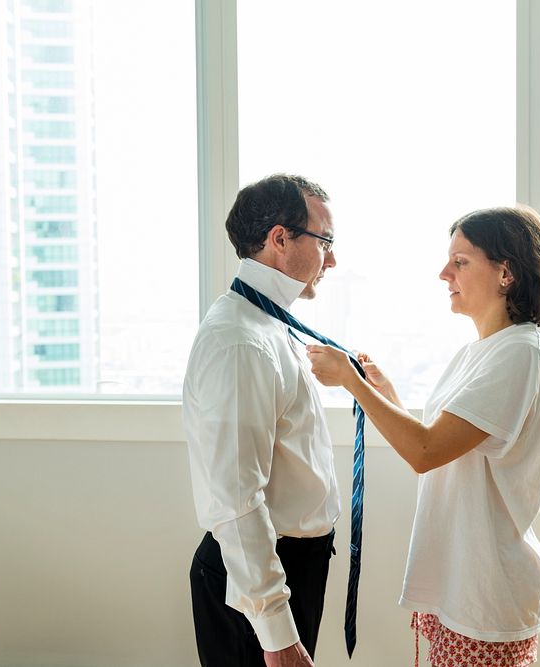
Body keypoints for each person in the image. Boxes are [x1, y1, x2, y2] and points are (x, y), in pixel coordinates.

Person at [307, 206, 540, 667]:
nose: (444, 272)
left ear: (506, 271)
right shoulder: (481, 351)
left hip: (485, 594)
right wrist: (385, 394)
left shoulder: (519, 352)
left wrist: (353, 384)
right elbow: (442, 446)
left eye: (461, 262)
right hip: (459, 582)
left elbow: (425, 452)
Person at [184, 174, 340, 667]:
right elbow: (235, 497)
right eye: (325, 242)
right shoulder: (241, 342)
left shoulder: (269, 324)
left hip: (288, 569)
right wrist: (276, 631)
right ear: (279, 239)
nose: (331, 260)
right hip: (256, 581)